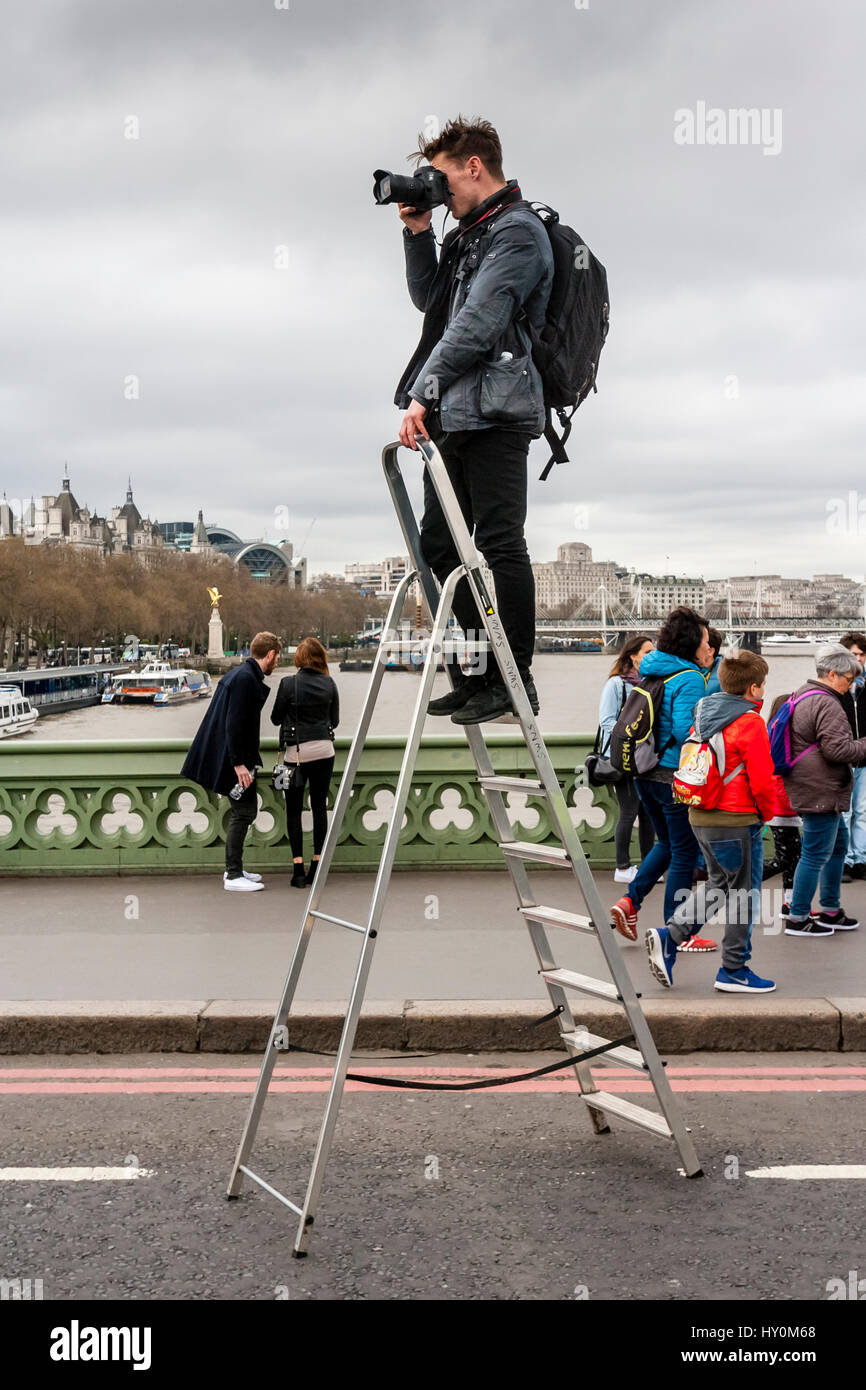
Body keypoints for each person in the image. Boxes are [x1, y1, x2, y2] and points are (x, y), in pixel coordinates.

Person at [394, 116, 554, 726]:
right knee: (438, 547)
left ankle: (516, 680)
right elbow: (432, 303)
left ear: (474, 167)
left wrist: (422, 393)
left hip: (499, 412)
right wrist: (417, 232)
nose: (437, 189)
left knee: (499, 543)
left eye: (441, 178)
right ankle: (479, 671)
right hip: (456, 415)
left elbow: (480, 321)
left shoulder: (518, 233)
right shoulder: (470, 232)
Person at [646, 651, 778, 993]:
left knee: (719, 885)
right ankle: (734, 968)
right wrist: (767, 813)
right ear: (753, 688)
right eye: (762, 684)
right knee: (744, 895)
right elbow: (762, 780)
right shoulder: (749, 723)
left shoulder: (704, 714)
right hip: (735, 818)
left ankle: (670, 937)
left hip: (700, 813)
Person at [610, 607, 713, 941]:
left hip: (643, 773)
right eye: (706, 641)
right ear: (692, 643)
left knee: (667, 843)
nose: (709, 647)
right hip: (671, 776)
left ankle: (630, 901)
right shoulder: (690, 678)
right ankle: (676, 930)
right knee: (684, 851)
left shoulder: (653, 671)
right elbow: (687, 732)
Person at [180, 632, 282, 892]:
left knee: (244, 812)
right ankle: (233, 875)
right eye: (278, 657)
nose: (278, 662)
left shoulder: (240, 675)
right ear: (269, 655)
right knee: (244, 813)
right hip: (234, 760)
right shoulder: (246, 680)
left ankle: (235, 868)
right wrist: (239, 765)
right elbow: (235, 724)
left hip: (233, 756)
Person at [780, 643, 866, 938]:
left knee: (836, 847)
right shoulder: (828, 703)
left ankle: (830, 909)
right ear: (832, 674)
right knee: (816, 853)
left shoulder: (802, 694)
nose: (850, 685)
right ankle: (799, 917)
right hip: (820, 789)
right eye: (848, 678)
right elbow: (838, 750)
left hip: (810, 785)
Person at [271, 637, 340, 889]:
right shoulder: (330, 683)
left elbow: (275, 718)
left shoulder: (288, 684)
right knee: (319, 807)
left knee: (294, 811)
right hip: (324, 751)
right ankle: (317, 865)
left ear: (299, 659)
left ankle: (298, 870)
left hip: (296, 756)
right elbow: (335, 720)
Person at [598, 635, 656, 883]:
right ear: (633, 656)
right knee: (628, 810)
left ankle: (648, 865)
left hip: (645, 757)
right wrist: (632, 737)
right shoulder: (616, 685)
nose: (652, 656)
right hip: (622, 757)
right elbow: (607, 721)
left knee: (648, 812)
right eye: (647, 652)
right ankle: (622, 867)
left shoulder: (651, 684)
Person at [761, 691, 802, 918]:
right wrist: (796, 805)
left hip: (784, 811)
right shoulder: (777, 744)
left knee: (793, 859)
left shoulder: (777, 737)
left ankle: (789, 903)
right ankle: (744, 879)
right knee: (785, 859)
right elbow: (777, 782)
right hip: (781, 812)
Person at [838, 632, 866, 881]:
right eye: (853, 654)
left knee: (863, 811)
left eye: (861, 654)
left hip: (865, 761)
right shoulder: (837, 689)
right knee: (845, 812)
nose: (857, 659)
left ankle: (861, 858)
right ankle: (844, 860)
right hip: (844, 759)